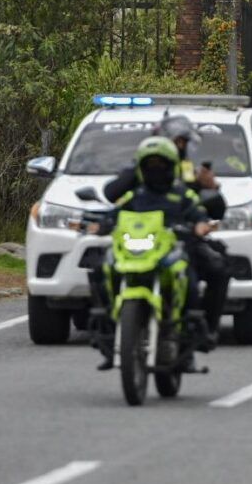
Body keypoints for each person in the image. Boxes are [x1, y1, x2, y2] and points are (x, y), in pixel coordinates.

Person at [101, 115, 230, 341]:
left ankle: (204, 327)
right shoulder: (139, 170)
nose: (157, 168)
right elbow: (113, 196)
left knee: (219, 265)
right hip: (142, 235)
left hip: (180, 236)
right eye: (178, 141)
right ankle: (109, 324)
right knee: (100, 265)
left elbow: (204, 205)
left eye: (183, 143)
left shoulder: (188, 170)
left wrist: (209, 188)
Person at [95, 137, 214, 370]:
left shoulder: (182, 194)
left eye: (161, 164)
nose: (156, 170)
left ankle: (186, 343)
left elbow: (199, 212)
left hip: (169, 252)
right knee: (102, 268)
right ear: (142, 168)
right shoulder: (135, 195)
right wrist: (100, 225)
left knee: (190, 281)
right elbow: (113, 213)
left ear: (172, 166)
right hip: (136, 251)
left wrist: (200, 224)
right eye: (151, 165)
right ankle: (109, 335)